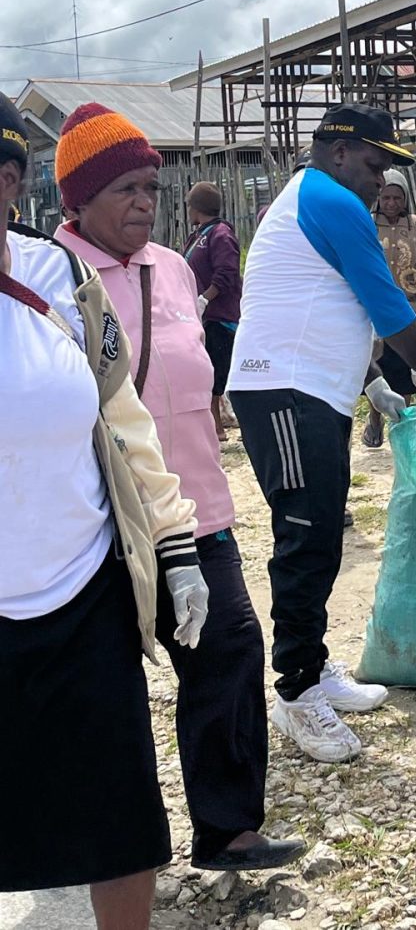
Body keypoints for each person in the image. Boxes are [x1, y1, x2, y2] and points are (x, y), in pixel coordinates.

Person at [53, 103, 303, 874]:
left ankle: (228, 830)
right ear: (78, 200)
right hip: (105, 527)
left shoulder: (173, 266)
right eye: (124, 188)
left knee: (229, 648)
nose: (142, 203)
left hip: (197, 508)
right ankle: (109, 847)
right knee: (109, 686)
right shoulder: (54, 279)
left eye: (150, 188)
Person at [0, 94, 209, 928]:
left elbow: (124, 420)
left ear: (8, 183)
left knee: (117, 818)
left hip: (83, 592)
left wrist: (176, 545)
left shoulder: (59, 279)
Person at [228, 102, 416, 763]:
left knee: (323, 531)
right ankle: (296, 690)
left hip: (307, 391)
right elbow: (384, 299)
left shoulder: (314, 199)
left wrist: (370, 381)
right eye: (376, 165)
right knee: (306, 535)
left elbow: (327, 305)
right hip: (284, 392)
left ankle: (313, 663)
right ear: (340, 151)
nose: (381, 182)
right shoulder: (331, 200)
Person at [362, 169, 416, 447]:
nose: (391, 203)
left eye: (397, 198)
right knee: (379, 368)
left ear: (406, 199)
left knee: (408, 371)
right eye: (386, 197)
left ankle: (402, 425)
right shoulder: (368, 224)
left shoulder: (415, 227)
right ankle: (375, 419)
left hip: (412, 311)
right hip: (376, 313)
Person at [182, 180, 242, 442]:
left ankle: (218, 427)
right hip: (201, 316)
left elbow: (227, 272)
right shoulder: (198, 235)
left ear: (197, 208)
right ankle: (213, 424)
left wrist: (205, 299)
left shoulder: (220, 234)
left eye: (189, 205)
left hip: (220, 316)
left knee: (216, 372)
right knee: (206, 369)